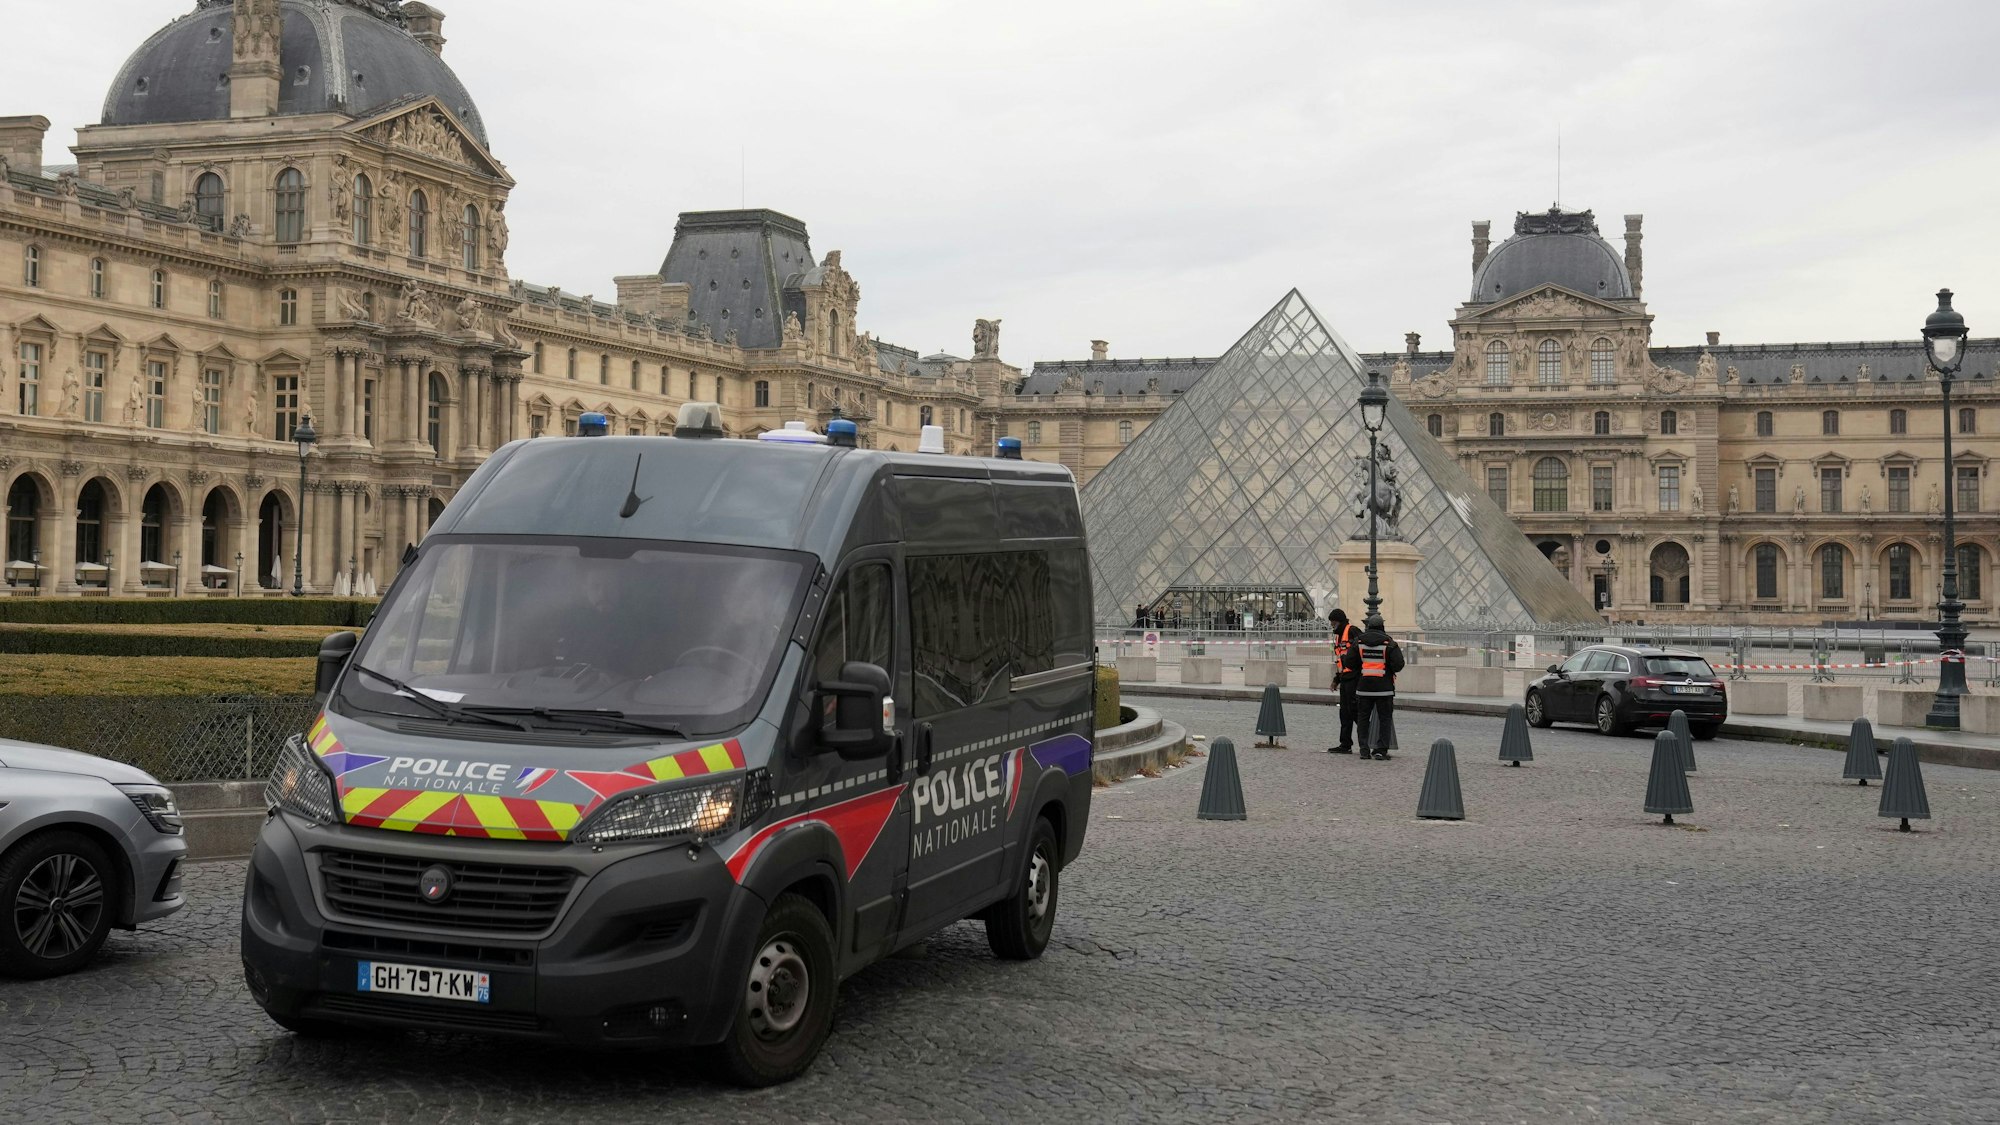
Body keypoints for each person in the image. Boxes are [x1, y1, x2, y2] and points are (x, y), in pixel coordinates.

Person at [1341, 615, 1404, 760]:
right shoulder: (1389, 643)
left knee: (1362, 718)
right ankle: (1381, 750)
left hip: (1364, 687)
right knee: (1385, 719)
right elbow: (1399, 664)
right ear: (1382, 626)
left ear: (1368, 626)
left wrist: (1361, 668)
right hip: (1384, 688)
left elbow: (1349, 663)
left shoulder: (1359, 642)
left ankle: (1364, 749)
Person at [1325, 608, 1360, 753]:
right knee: (1344, 713)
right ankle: (1345, 744)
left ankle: (1368, 741)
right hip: (1345, 678)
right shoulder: (1339, 637)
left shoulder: (1353, 631)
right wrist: (1336, 680)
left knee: (1355, 712)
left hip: (1355, 677)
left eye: (1333, 623)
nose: (1332, 626)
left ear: (1339, 621)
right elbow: (1340, 662)